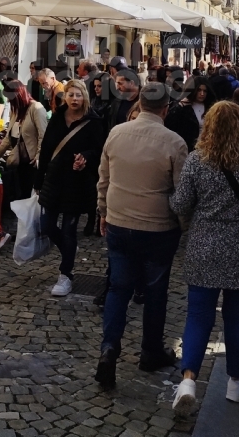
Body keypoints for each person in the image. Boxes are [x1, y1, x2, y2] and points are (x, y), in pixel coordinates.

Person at [169, 100, 239, 412]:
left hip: (203, 246)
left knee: (198, 315)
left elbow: (180, 205)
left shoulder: (196, 161)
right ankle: (236, 382)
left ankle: (188, 379)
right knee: (236, 317)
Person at [95, 83, 188, 387]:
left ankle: (109, 348)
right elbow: (182, 194)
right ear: (166, 108)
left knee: (118, 290)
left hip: (121, 221)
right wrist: (182, 222)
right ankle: (150, 351)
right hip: (158, 227)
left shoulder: (117, 133)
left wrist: (103, 212)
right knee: (156, 291)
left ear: (140, 103)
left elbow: (103, 178)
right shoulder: (174, 143)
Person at [34, 79, 105, 296]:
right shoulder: (57, 117)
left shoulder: (94, 121)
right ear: (65, 97)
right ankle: (69, 250)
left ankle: (66, 274)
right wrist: (38, 180)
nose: (74, 99)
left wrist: (86, 158)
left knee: (68, 229)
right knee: (46, 225)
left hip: (77, 182)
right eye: (71, 95)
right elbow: (46, 149)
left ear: (85, 96)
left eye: (78, 95)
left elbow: (100, 151)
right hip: (55, 180)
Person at [0, 80, 47, 201]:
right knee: (20, 194)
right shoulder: (15, 110)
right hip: (19, 161)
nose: (8, 101)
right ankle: (21, 219)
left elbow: (43, 136)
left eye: (10, 98)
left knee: (29, 195)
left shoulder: (36, 108)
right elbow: (8, 138)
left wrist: (38, 156)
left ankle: (28, 219)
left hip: (32, 163)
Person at [164, 77, 209, 151]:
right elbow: (170, 125)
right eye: (199, 90)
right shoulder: (183, 106)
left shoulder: (210, 106)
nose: (202, 94)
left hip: (205, 148)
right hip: (188, 148)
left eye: (205, 91)